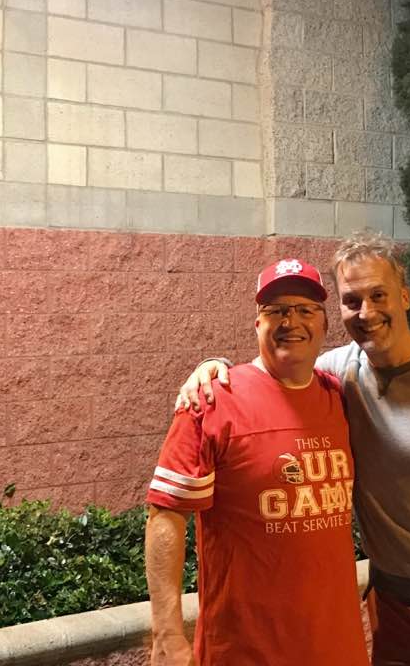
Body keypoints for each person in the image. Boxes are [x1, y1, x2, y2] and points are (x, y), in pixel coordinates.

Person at [178, 233, 410, 666]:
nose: (366, 312)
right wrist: (214, 368)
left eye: (378, 295)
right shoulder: (339, 373)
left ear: (404, 297)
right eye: (352, 301)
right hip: (390, 611)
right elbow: (278, 368)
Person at [145, 258, 370, 666]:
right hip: (244, 651)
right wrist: (166, 634)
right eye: (276, 310)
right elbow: (166, 514)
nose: (291, 321)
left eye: (305, 310)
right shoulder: (211, 401)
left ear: (324, 324)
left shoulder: (339, 396)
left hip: (338, 647)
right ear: (257, 324)